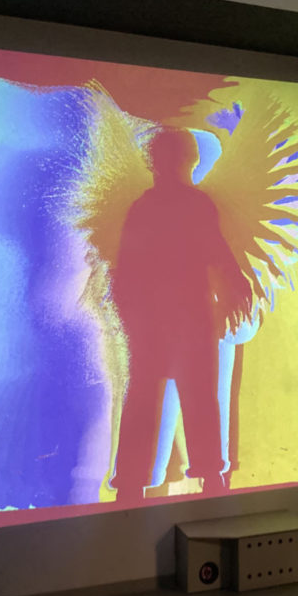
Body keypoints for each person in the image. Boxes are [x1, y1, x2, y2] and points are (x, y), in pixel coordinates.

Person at [109, 129, 252, 500]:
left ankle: (130, 484)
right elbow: (217, 252)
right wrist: (237, 286)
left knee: (146, 399)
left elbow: (124, 274)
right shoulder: (194, 205)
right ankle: (210, 478)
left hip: (155, 323)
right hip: (189, 320)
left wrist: (130, 319)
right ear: (189, 161)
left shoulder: (144, 209)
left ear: (154, 163)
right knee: (199, 398)